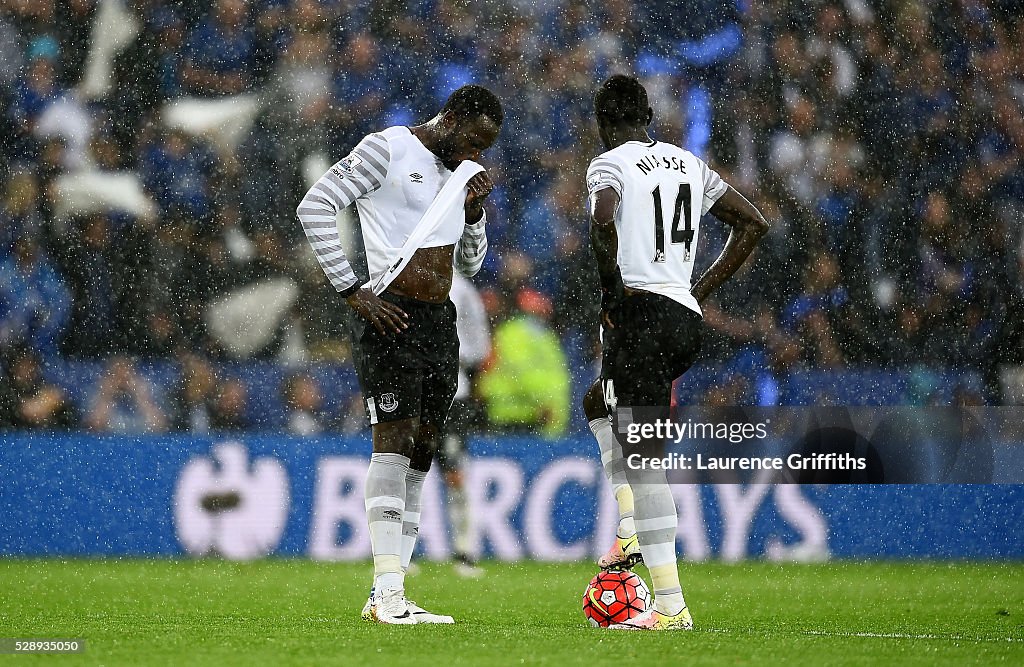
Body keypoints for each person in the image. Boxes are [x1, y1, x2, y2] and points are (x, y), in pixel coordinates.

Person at [297, 85, 502, 624]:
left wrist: (476, 211)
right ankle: (387, 590)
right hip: (391, 313)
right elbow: (315, 204)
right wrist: (350, 289)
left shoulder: (458, 174)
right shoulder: (386, 148)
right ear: (451, 117)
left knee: (423, 450)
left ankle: (393, 595)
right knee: (391, 440)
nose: (475, 154)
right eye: (474, 140)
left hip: (439, 322)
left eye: (485, 147)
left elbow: (472, 265)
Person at [582, 75, 769, 630]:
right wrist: (697, 291)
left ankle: (669, 605)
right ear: (648, 116)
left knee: (642, 461)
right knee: (598, 403)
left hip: (640, 316)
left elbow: (600, 220)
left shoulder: (609, 163)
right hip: (683, 322)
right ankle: (632, 524)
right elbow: (753, 223)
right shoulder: (688, 162)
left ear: (604, 123)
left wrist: (613, 292)